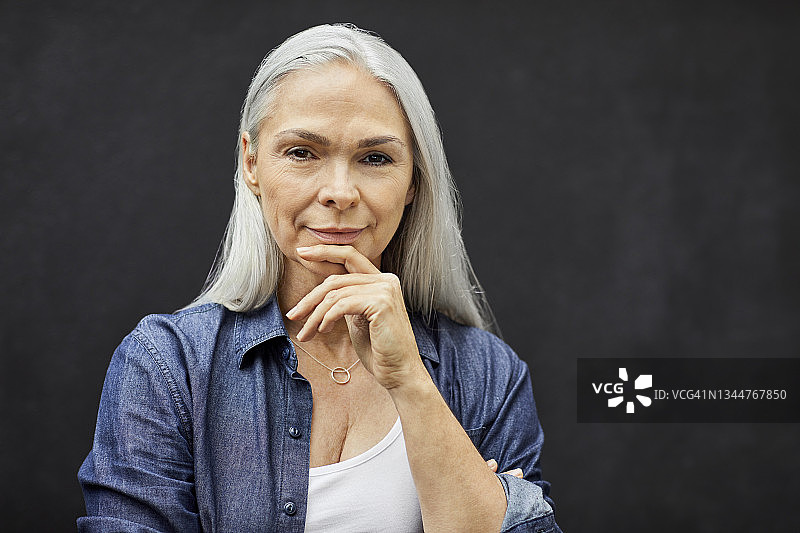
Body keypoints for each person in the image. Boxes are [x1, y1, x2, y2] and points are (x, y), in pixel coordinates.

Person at [78, 23, 561, 533]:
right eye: (302, 152)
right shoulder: (167, 366)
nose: (340, 192)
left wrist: (410, 381)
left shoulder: (487, 375)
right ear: (251, 162)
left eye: (375, 158)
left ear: (414, 180)